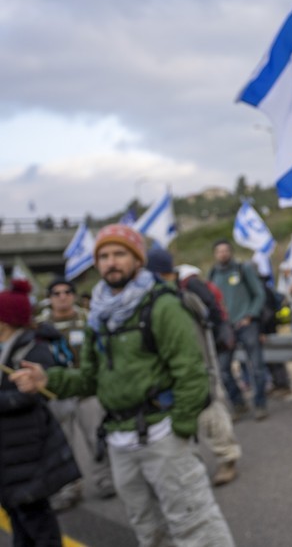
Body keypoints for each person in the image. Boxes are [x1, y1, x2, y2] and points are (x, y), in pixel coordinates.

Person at [11, 225, 235, 547]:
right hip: (119, 440)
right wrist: (49, 380)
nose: (110, 262)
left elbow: (191, 372)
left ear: (137, 260)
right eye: (103, 256)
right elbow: (89, 377)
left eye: (119, 254)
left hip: (163, 434)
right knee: (146, 529)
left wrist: (180, 428)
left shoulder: (162, 305)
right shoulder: (98, 316)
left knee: (195, 525)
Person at [146, 248, 242, 487]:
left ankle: (227, 458)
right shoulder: (149, 302)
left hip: (201, 367)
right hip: (172, 372)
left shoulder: (185, 295)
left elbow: (205, 325)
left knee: (211, 412)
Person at [0, 280, 80, 546]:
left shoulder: (31, 349)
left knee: (38, 521)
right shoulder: (6, 350)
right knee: (19, 521)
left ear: (5, 321)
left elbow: (33, 395)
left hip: (27, 449)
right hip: (10, 454)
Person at [34, 278, 115, 511]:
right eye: (56, 293)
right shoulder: (40, 326)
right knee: (63, 444)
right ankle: (70, 488)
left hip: (86, 392)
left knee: (96, 438)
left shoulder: (87, 318)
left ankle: (105, 480)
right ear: (49, 297)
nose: (62, 296)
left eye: (67, 292)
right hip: (56, 393)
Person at [208, 239, 268, 421]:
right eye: (219, 251)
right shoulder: (213, 274)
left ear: (230, 252)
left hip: (247, 325)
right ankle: (238, 403)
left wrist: (250, 315)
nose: (223, 254)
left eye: (226, 250)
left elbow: (259, 294)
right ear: (215, 254)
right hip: (226, 328)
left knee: (256, 366)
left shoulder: (243, 269)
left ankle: (259, 405)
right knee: (223, 369)